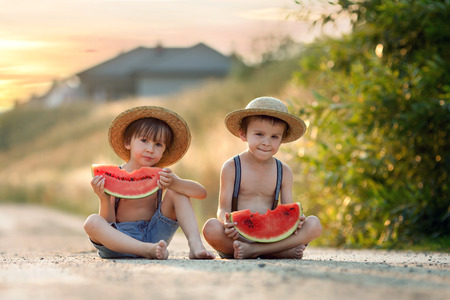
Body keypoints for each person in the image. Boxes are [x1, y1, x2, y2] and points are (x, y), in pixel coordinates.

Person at [84, 106, 215, 260]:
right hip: (120, 241)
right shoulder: (114, 176)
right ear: (128, 142)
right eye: (144, 141)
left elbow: (201, 193)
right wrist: (104, 199)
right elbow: (109, 222)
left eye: (158, 144)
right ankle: (144, 250)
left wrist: (175, 183)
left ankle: (195, 244)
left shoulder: (162, 176)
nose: (150, 149)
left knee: (177, 191)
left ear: (164, 150)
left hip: (155, 236)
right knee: (92, 222)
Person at [202, 96, 322, 259]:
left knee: (314, 224)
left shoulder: (284, 171)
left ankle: (255, 251)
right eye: (259, 134)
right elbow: (223, 208)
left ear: (282, 139)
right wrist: (226, 221)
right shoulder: (231, 167)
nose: (266, 142)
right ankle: (278, 252)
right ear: (243, 135)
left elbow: (288, 210)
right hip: (238, 236)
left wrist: (298, 221)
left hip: (274, 235)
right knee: (211, 228)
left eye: (274, 137)